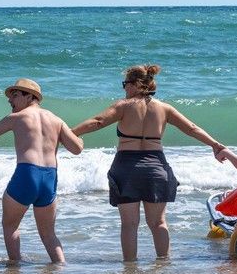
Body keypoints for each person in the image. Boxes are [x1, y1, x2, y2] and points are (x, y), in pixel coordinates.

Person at [72, 64, 226, 261]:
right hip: (156, 167)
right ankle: (163, 265)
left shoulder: (123, 106)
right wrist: (215, 145)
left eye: (125, 84)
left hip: (126, 168)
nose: (124, 89)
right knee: (158, 223)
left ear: (135, 84)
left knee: (129, 224)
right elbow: (192, 128)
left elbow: (98, 121)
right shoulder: (165, 108)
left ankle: (130, 268)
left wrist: (69, 133)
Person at [0, 79, 83, 263]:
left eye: (15, 95)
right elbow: (77, 148)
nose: (10, 100)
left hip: (27, 174)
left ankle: (15, 269)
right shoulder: (57, 120)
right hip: (49, 178)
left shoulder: (17, 117)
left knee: (10, 225)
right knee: (48, 234)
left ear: (30, 97)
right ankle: (61, 268)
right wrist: (79, 138)